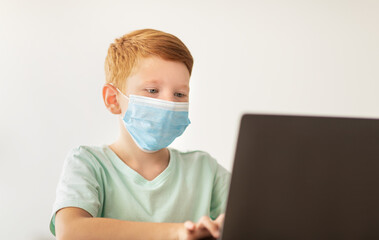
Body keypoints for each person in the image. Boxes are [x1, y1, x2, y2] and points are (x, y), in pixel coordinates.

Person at [50, 29, 230, 240]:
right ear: (113, 99)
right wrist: (178, 232)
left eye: (180, 94)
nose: (169, 103)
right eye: (152, 90)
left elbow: (256, 214)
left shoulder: (205, 170)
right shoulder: (89, 163)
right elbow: (71, 231)